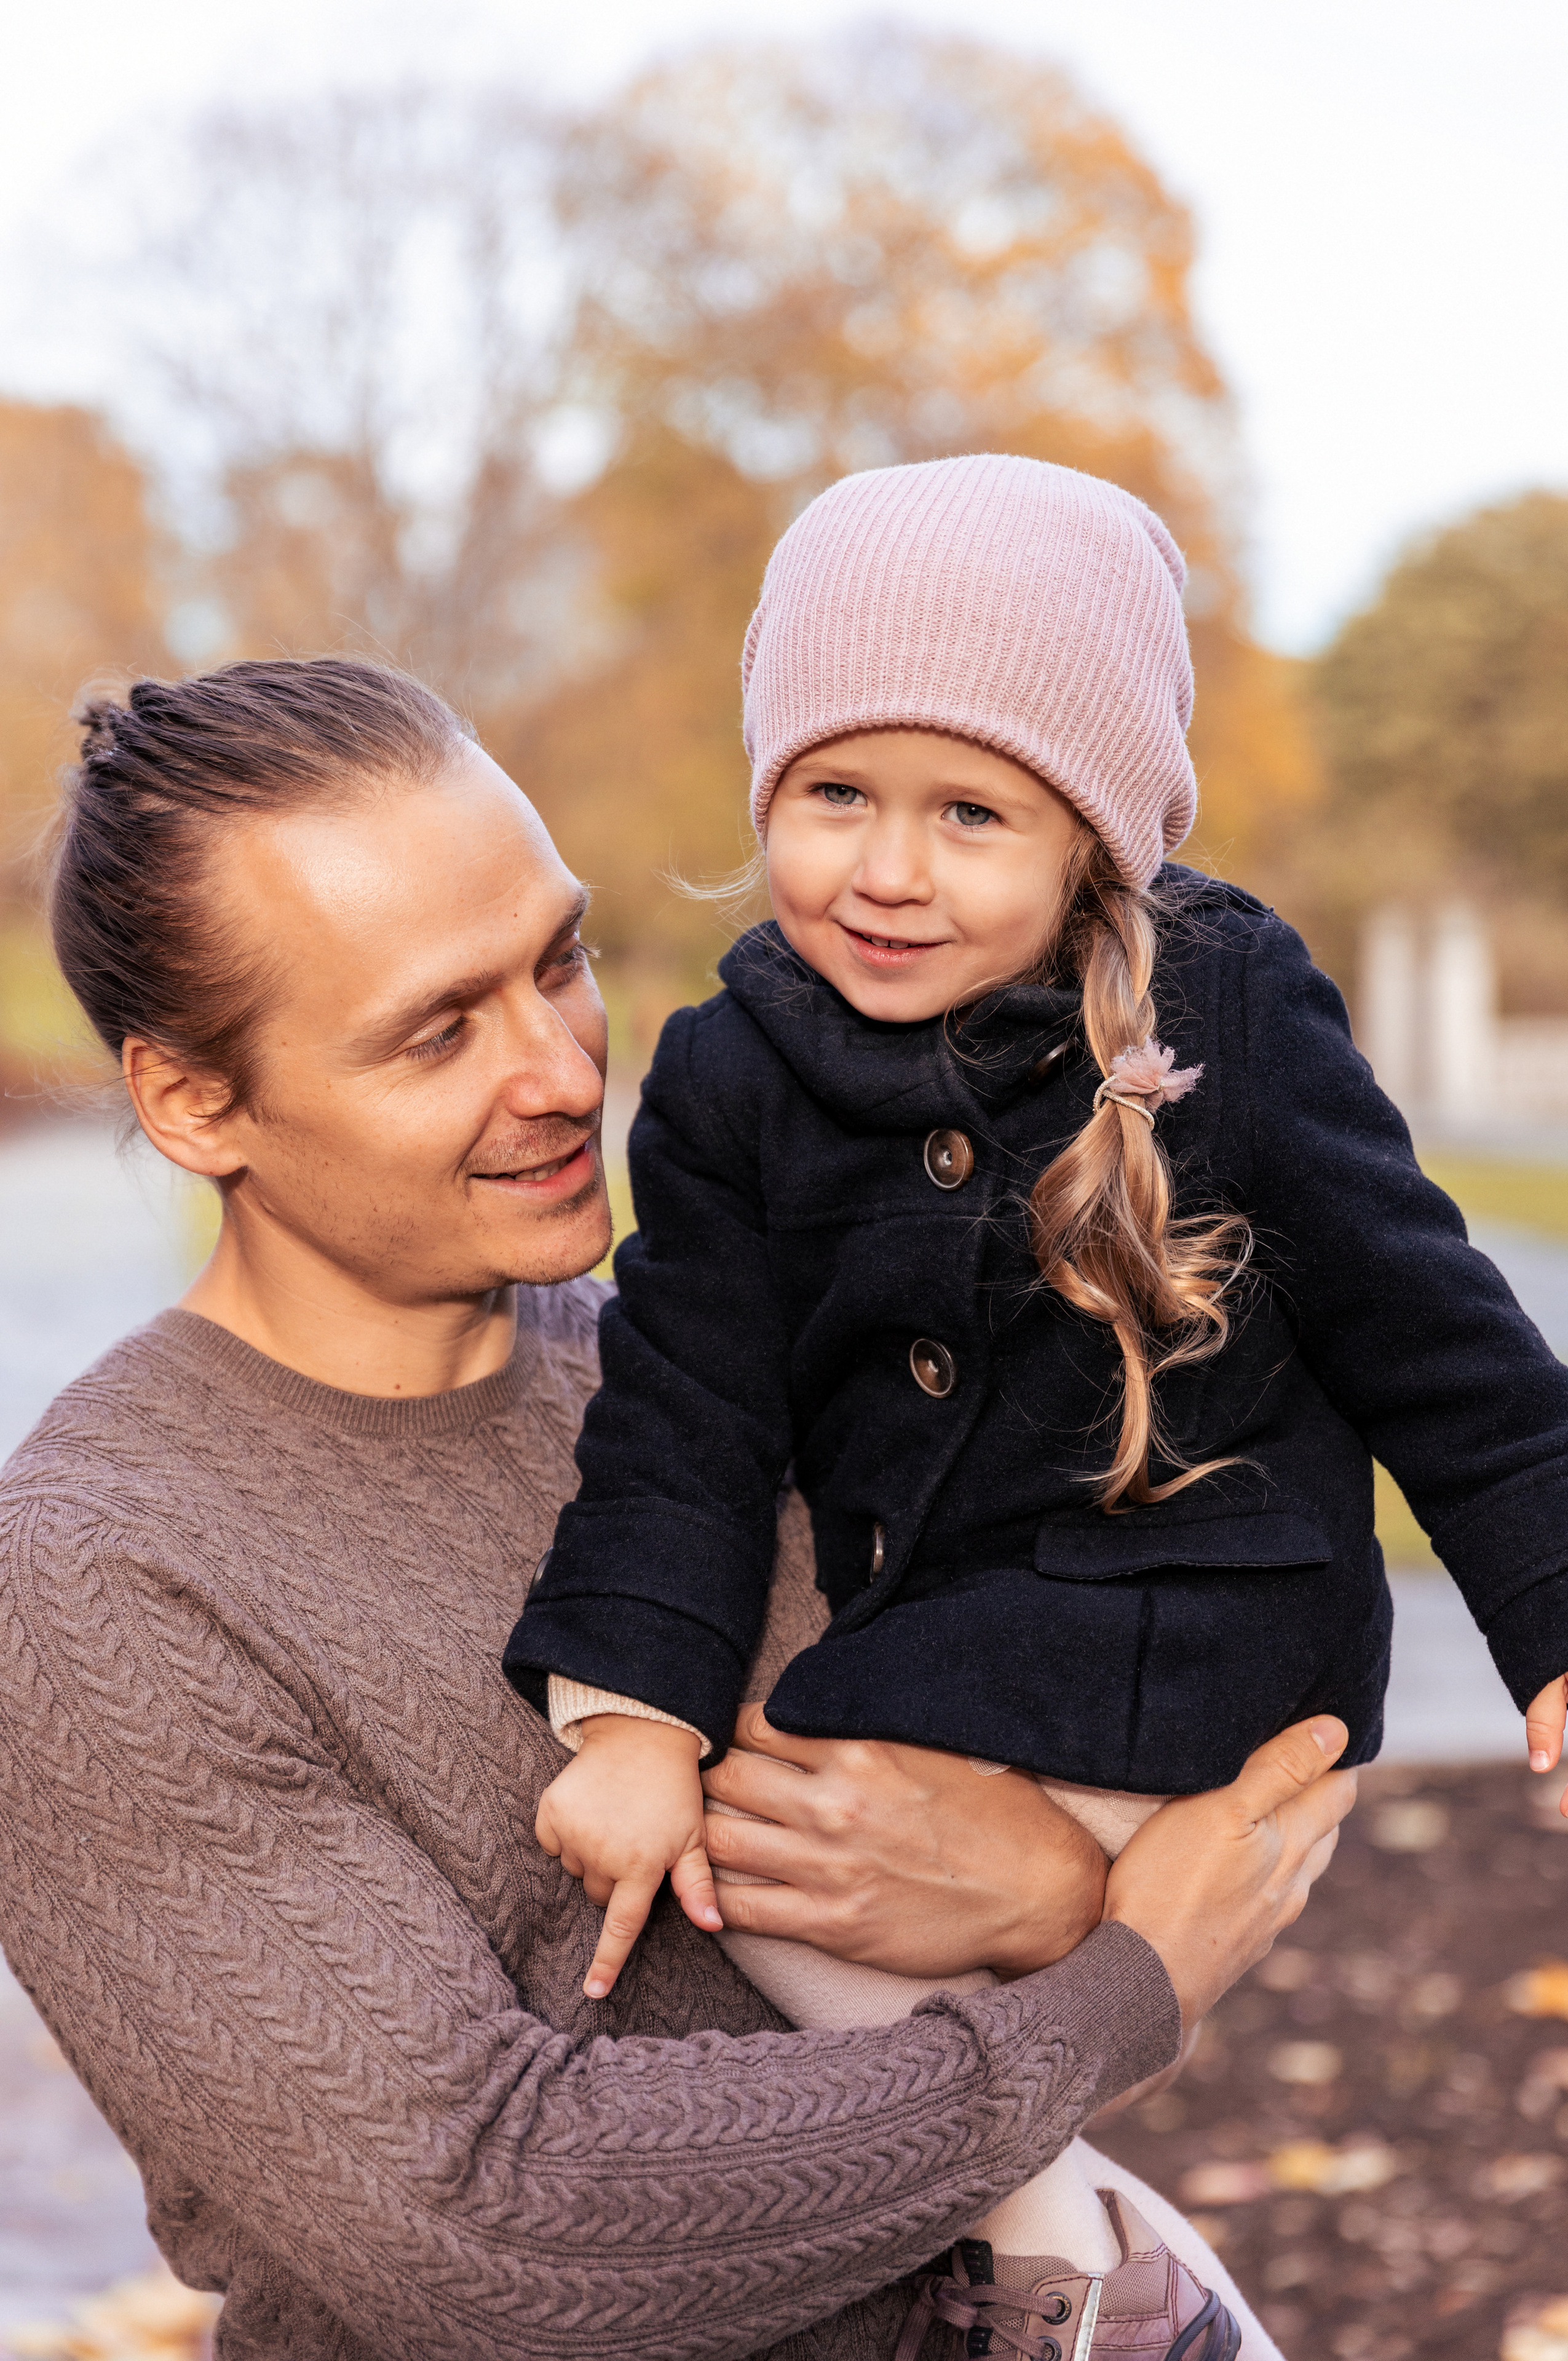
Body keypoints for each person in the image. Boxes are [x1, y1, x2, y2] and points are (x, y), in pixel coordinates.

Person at [0, 658, 1355, 2361]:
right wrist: (1108, 1991)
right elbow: (477, 2221)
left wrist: (1047, 1903)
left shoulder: (704, 1370)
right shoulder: (99, 1581)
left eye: (557, 963)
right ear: (195, 1101)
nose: (563, 1072)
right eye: (440, 1029)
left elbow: (1188, 1832)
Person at [506, 455, 1568, 2336]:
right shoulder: (728, 1069)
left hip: (1212, 1630)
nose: (889, 869)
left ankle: (1056, 2262)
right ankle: (1077, 2255)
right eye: (835, 795)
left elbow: (1444, 1341)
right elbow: (681, 1412)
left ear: (1091, 839)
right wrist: (629, 1714)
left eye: (972, 813)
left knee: (801, 1864)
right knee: (746, 1854)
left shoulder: (1221, 1008)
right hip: (953, 1651)